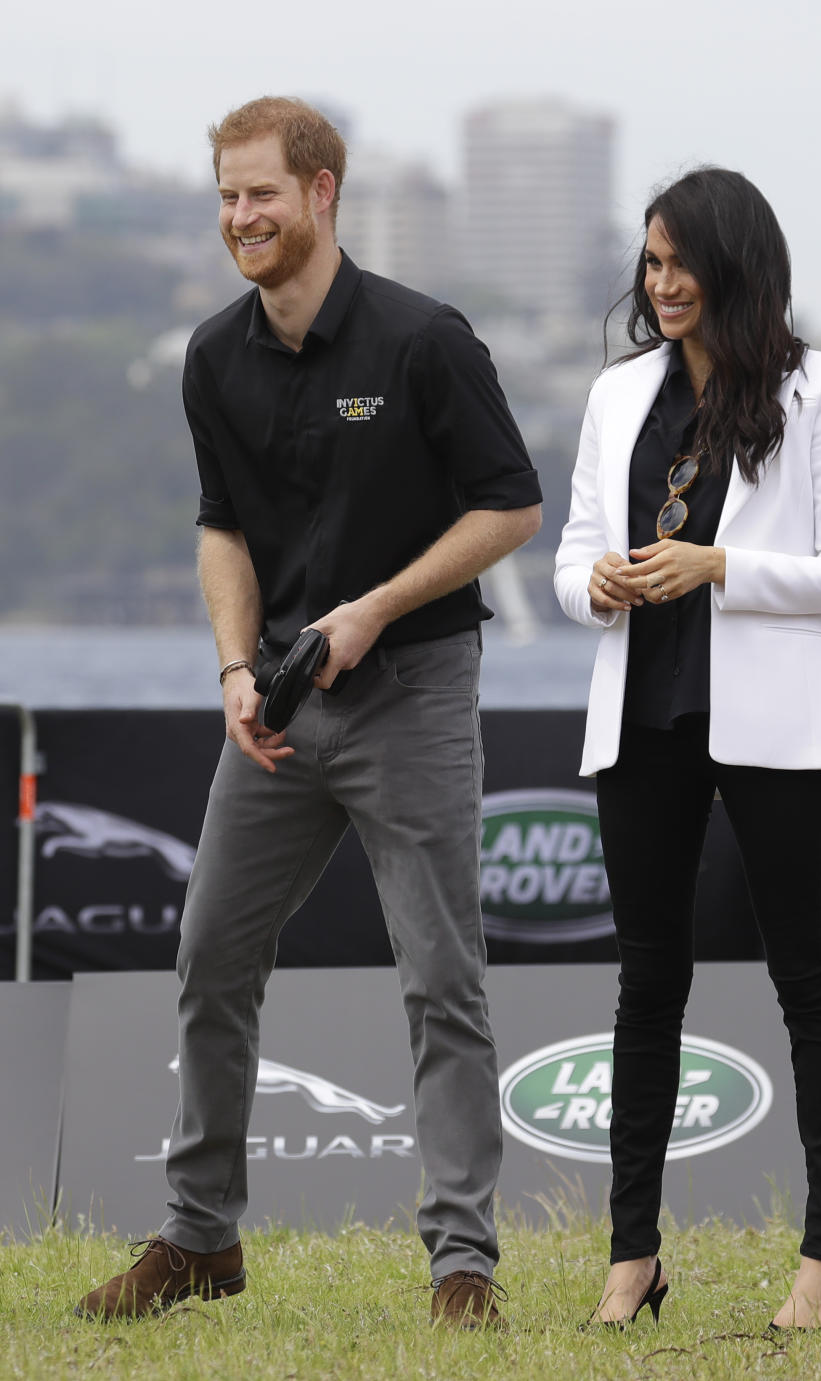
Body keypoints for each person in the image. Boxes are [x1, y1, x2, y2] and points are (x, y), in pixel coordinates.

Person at [76, 96, 541, 1328]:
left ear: (323, 192)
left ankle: (463, 1265)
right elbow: (221, 525)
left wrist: (377, 606)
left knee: (442, 977)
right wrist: (236, 669)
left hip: (414, 692)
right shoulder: (212, 356)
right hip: (278, 709)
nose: (241, 217)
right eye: (226, 196)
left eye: (262, 194)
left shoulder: (424, 340)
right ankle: (200, 1240)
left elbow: (510, 508)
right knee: (210, 959)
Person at [554, 167, 821, 1333]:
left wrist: (722, 568)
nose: (665, 282)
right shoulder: (617, 395)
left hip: (777, 724)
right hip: (643, 711)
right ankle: (631, 1260)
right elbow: (570, 556)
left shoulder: (818, 386)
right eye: (651, 260)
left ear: (737, 264)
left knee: (806, 982)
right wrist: (594, 582)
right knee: (648, 985)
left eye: (684, 259)